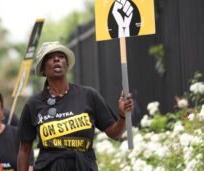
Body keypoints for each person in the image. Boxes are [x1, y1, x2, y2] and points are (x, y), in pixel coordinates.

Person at [17, 41, 134, 171]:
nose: (56, 59)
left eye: (61, 56)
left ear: (66, 65)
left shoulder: (89, 95)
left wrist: (123, 116)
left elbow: (115, 134)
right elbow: (25, 148)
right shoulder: (33, 104)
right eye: (50, 57)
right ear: (43, 69)